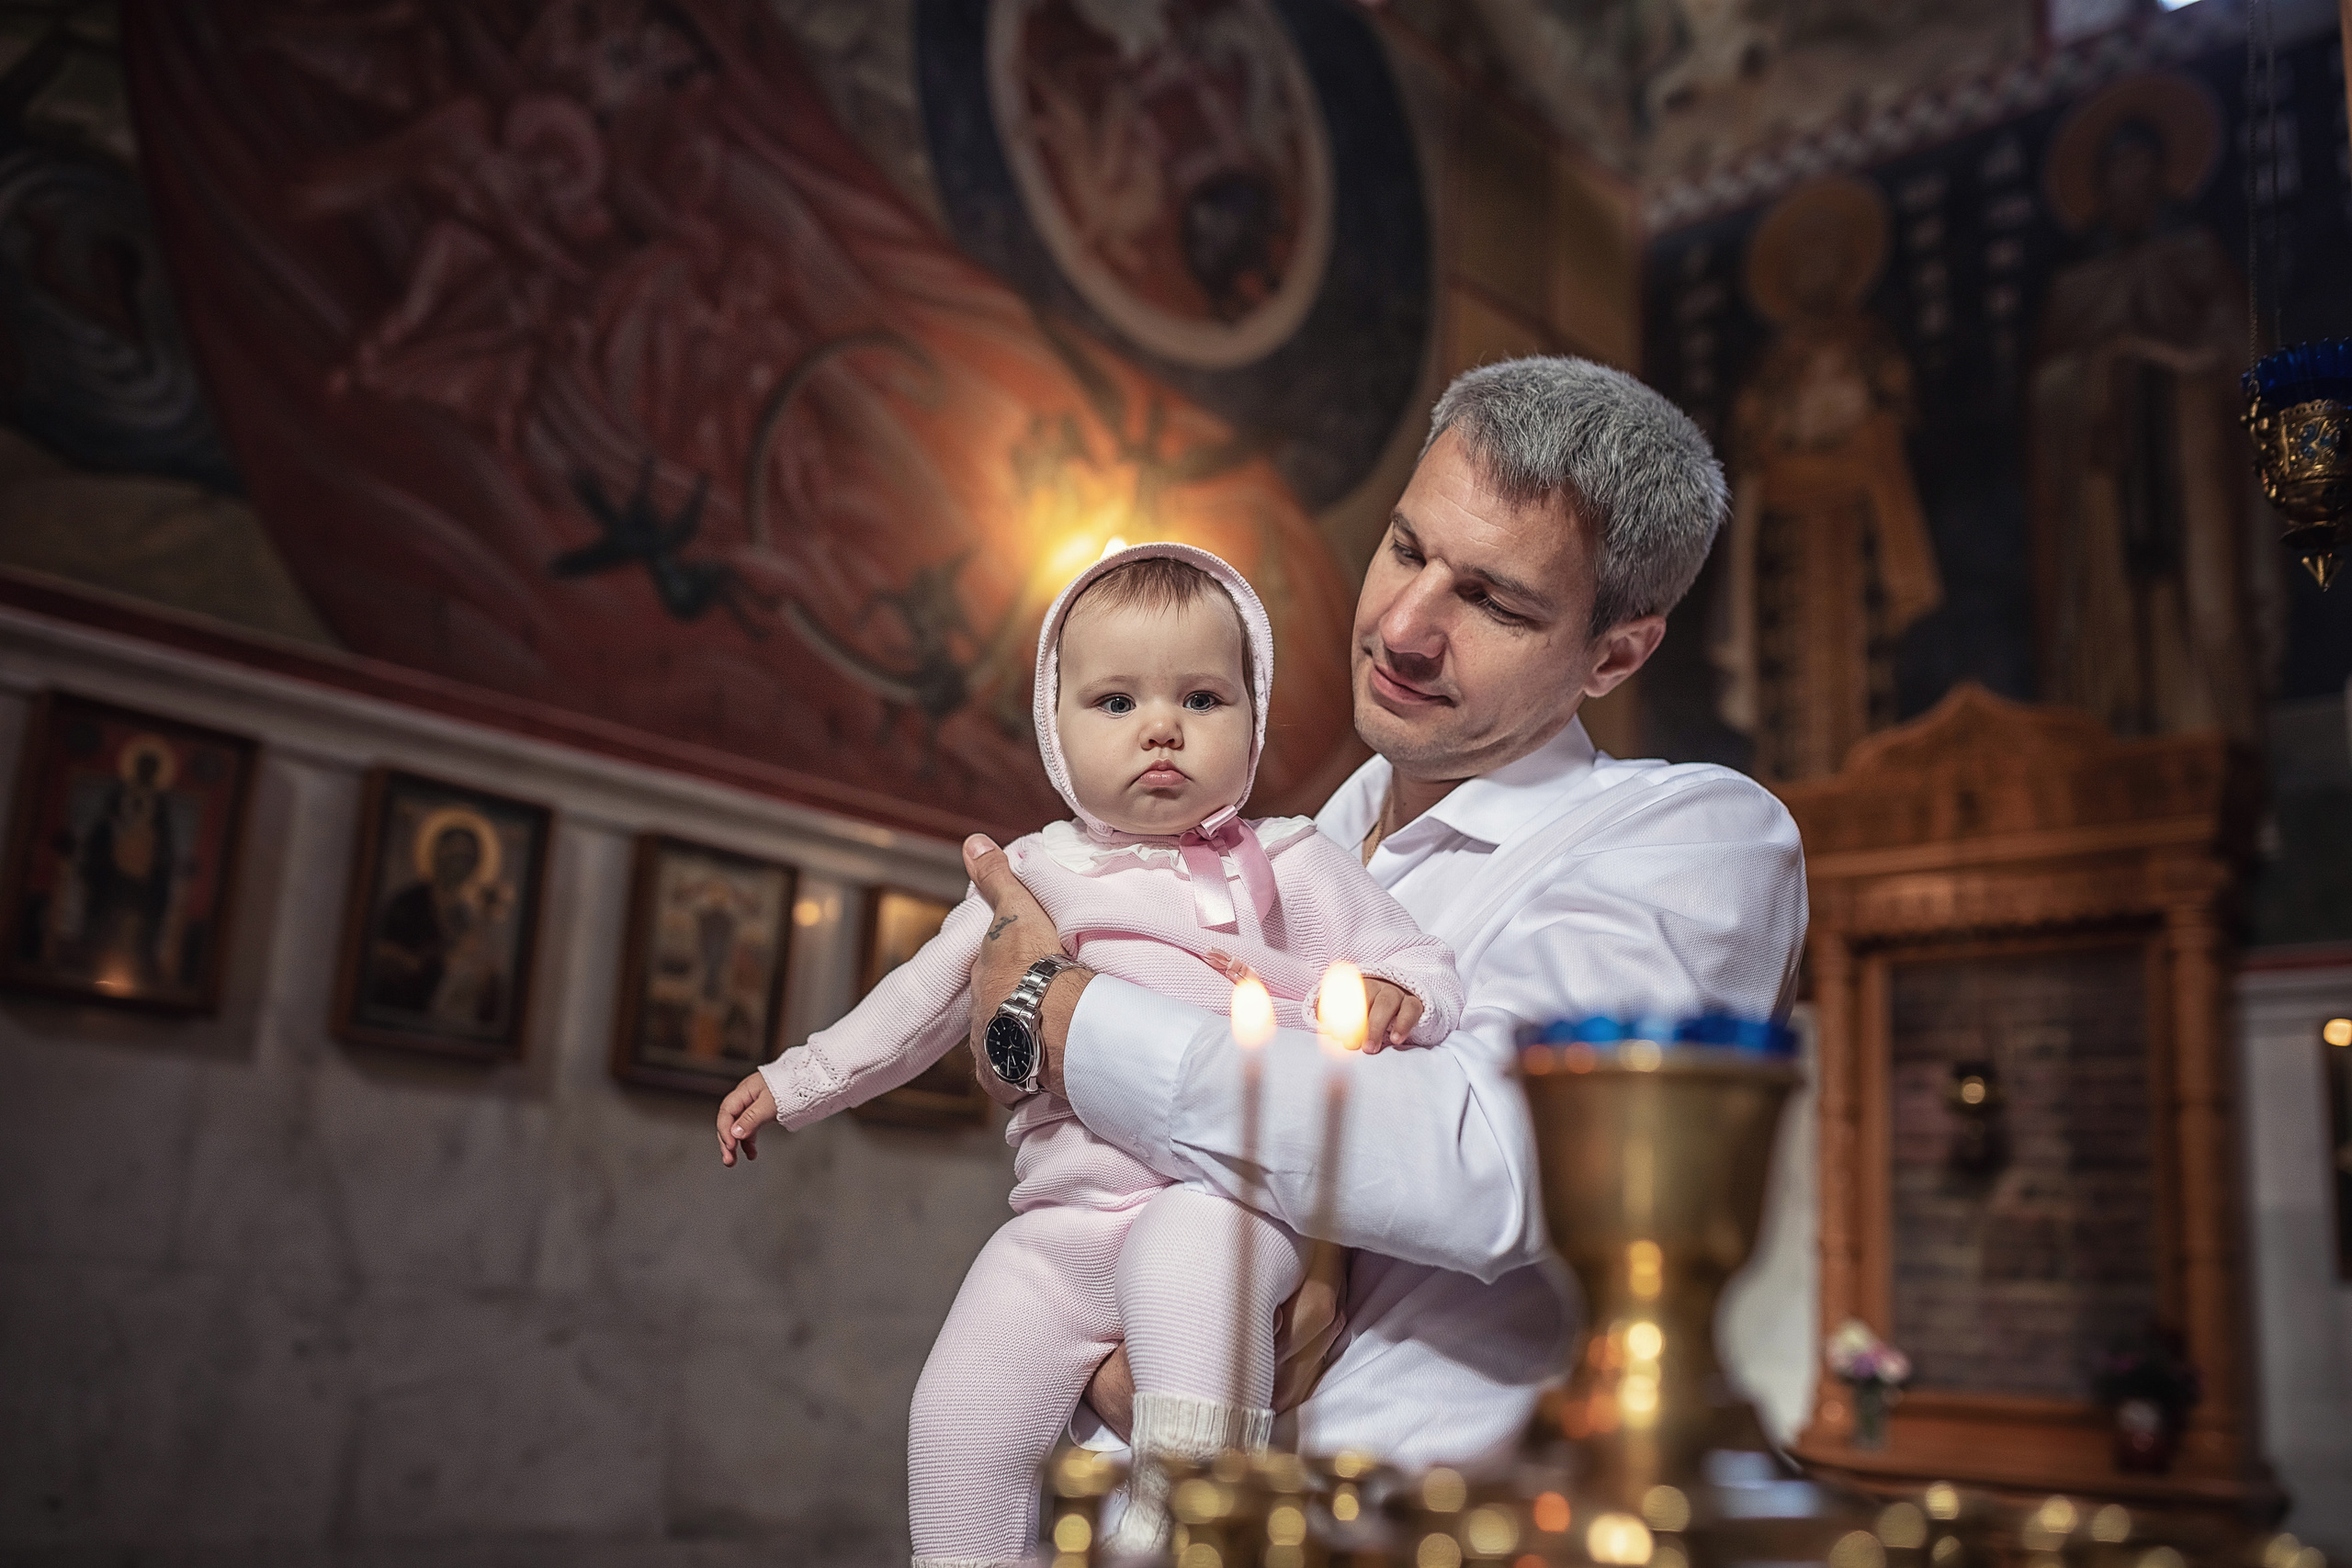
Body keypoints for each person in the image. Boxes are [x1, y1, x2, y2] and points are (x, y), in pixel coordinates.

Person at [958, 355, 1809, 1474]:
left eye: (1493, 600)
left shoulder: (1694, 835)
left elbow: (1497, 1162)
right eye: (1406, 549)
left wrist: (1062, 1014)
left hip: (1413, 1524)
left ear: (1615, 653)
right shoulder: (1282, 845)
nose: (1403, 628)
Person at [715, 543, 1465, 1568]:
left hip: (1224, 1195)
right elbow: (916, 1006)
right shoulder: (1036, 876)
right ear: (1053, 728)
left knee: (1187, 1273)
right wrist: (793, 1081)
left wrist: (1400, 995)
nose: (1161, 728)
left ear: (1252, 715)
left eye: (1202, 697)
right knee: (960, 1407)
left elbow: (1419, 957)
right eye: (1115, 703)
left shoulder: (1293, 859)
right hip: (1064, 1218)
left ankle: (1184, 1538)